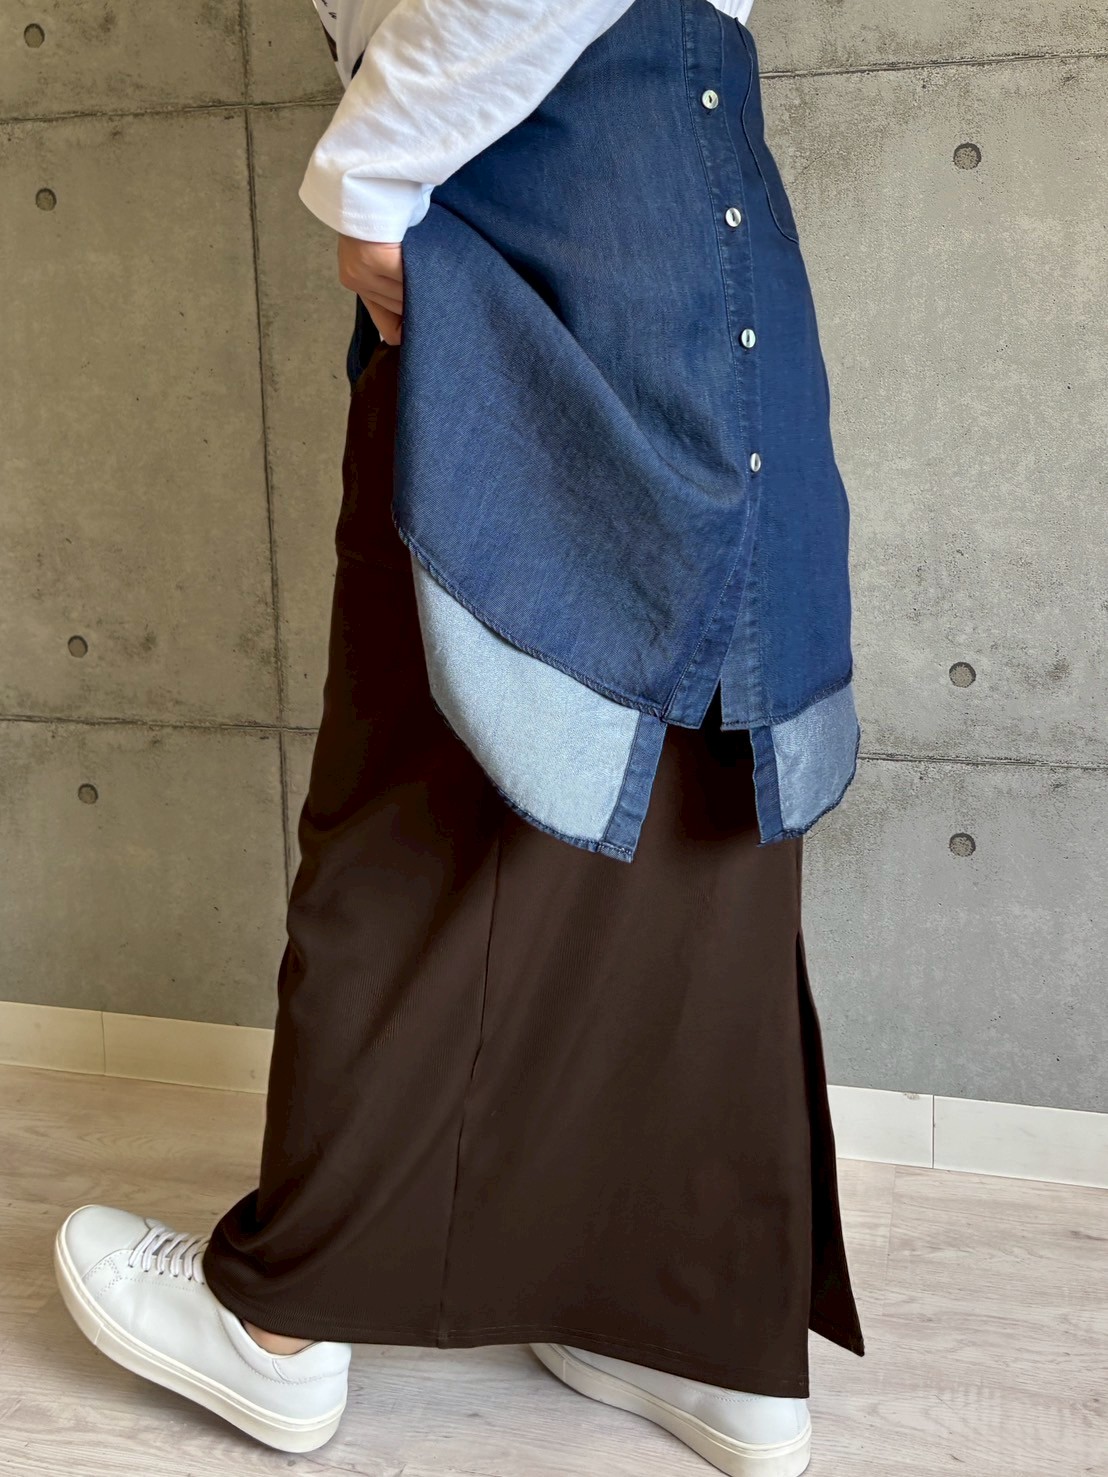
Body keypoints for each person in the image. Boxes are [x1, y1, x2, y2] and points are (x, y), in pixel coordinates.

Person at [52, 2, 866, 1473]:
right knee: (695, 799)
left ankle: (278, 1327)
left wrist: (368, 182)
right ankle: (698, 1329)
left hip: (533, 243)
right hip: (704, 251)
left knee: (411, 804)